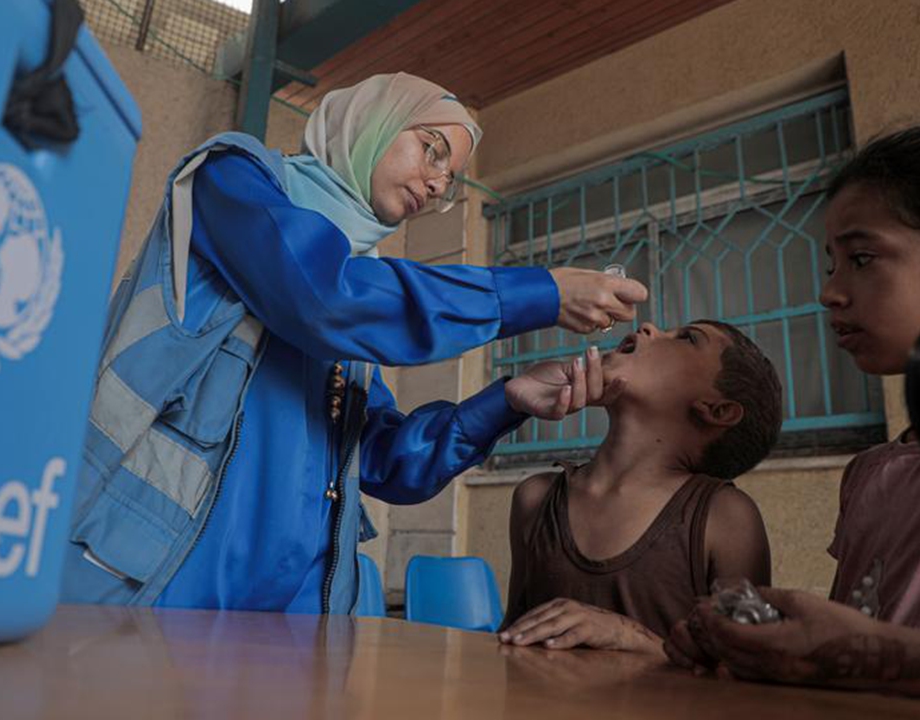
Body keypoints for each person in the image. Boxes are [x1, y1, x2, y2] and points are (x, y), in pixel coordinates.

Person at [59, 72, 648, 613]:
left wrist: (506, 400)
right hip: (153, 581)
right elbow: (320, 295)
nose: (439, 182)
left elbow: (390, 463)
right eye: (432, 150)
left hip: (288, 620)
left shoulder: (361, 297)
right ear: (372, 122)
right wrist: (537, 294)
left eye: (447, 180)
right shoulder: (234, 180)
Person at [666, 120, 920, 703]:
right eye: (830, 263)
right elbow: (851, 647)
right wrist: (766, 648)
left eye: (862, 258)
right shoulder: (870, 474)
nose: (830, 291)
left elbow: (865, 654)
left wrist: (865, 658)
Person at [497, 319, 782, 656]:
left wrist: (629, 637)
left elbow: (745, 673)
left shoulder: (725, 518)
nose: (648, 327)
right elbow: (510, 642)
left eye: (688, 338)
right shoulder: (536, 498)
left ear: (716, 409)